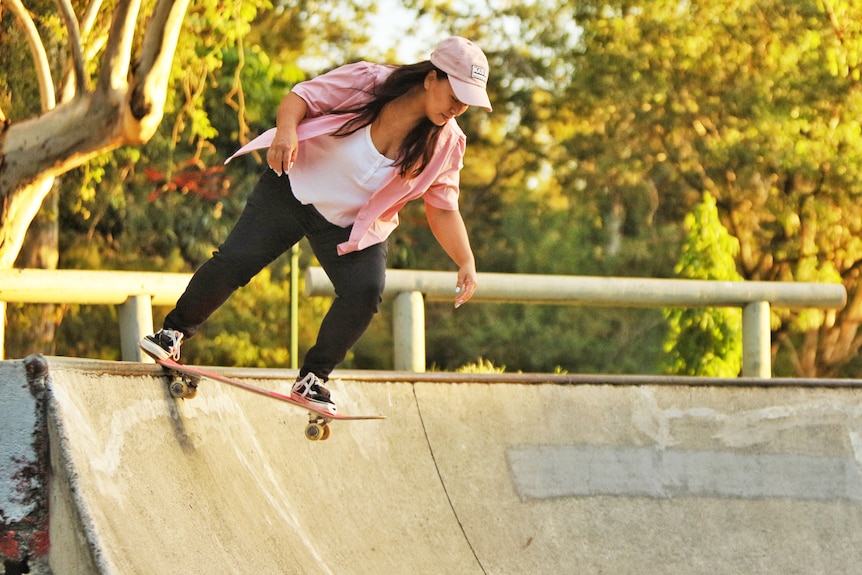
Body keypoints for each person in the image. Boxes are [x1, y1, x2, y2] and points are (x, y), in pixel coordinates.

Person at [141, 36, 491, 415]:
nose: (458, 107)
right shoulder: (369, 81)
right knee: (235, 261)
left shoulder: (447, 143)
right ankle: (173, 332)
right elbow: (300, 98)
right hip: (293, 188)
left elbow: (442, 208)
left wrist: (465, 260)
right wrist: (287, 132)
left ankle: (313, 378)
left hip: (349, 224)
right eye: (455, 93)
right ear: (430, 77)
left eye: (467, 102)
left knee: (365, 290)